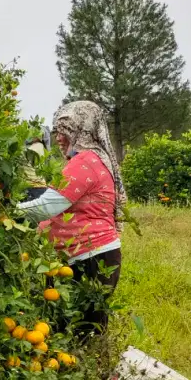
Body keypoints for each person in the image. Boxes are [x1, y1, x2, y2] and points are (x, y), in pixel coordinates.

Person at [17, 101, 126, 335]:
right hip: (83, 256)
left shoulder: (85, 161)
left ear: (82, 131)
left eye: (65, 132)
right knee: (73, 329)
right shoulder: (90, 159)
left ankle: (94, 368)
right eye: (56, 132)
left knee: (79, 331)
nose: (58, 138)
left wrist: (4, 211)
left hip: (90, 260)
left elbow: (46, 208)